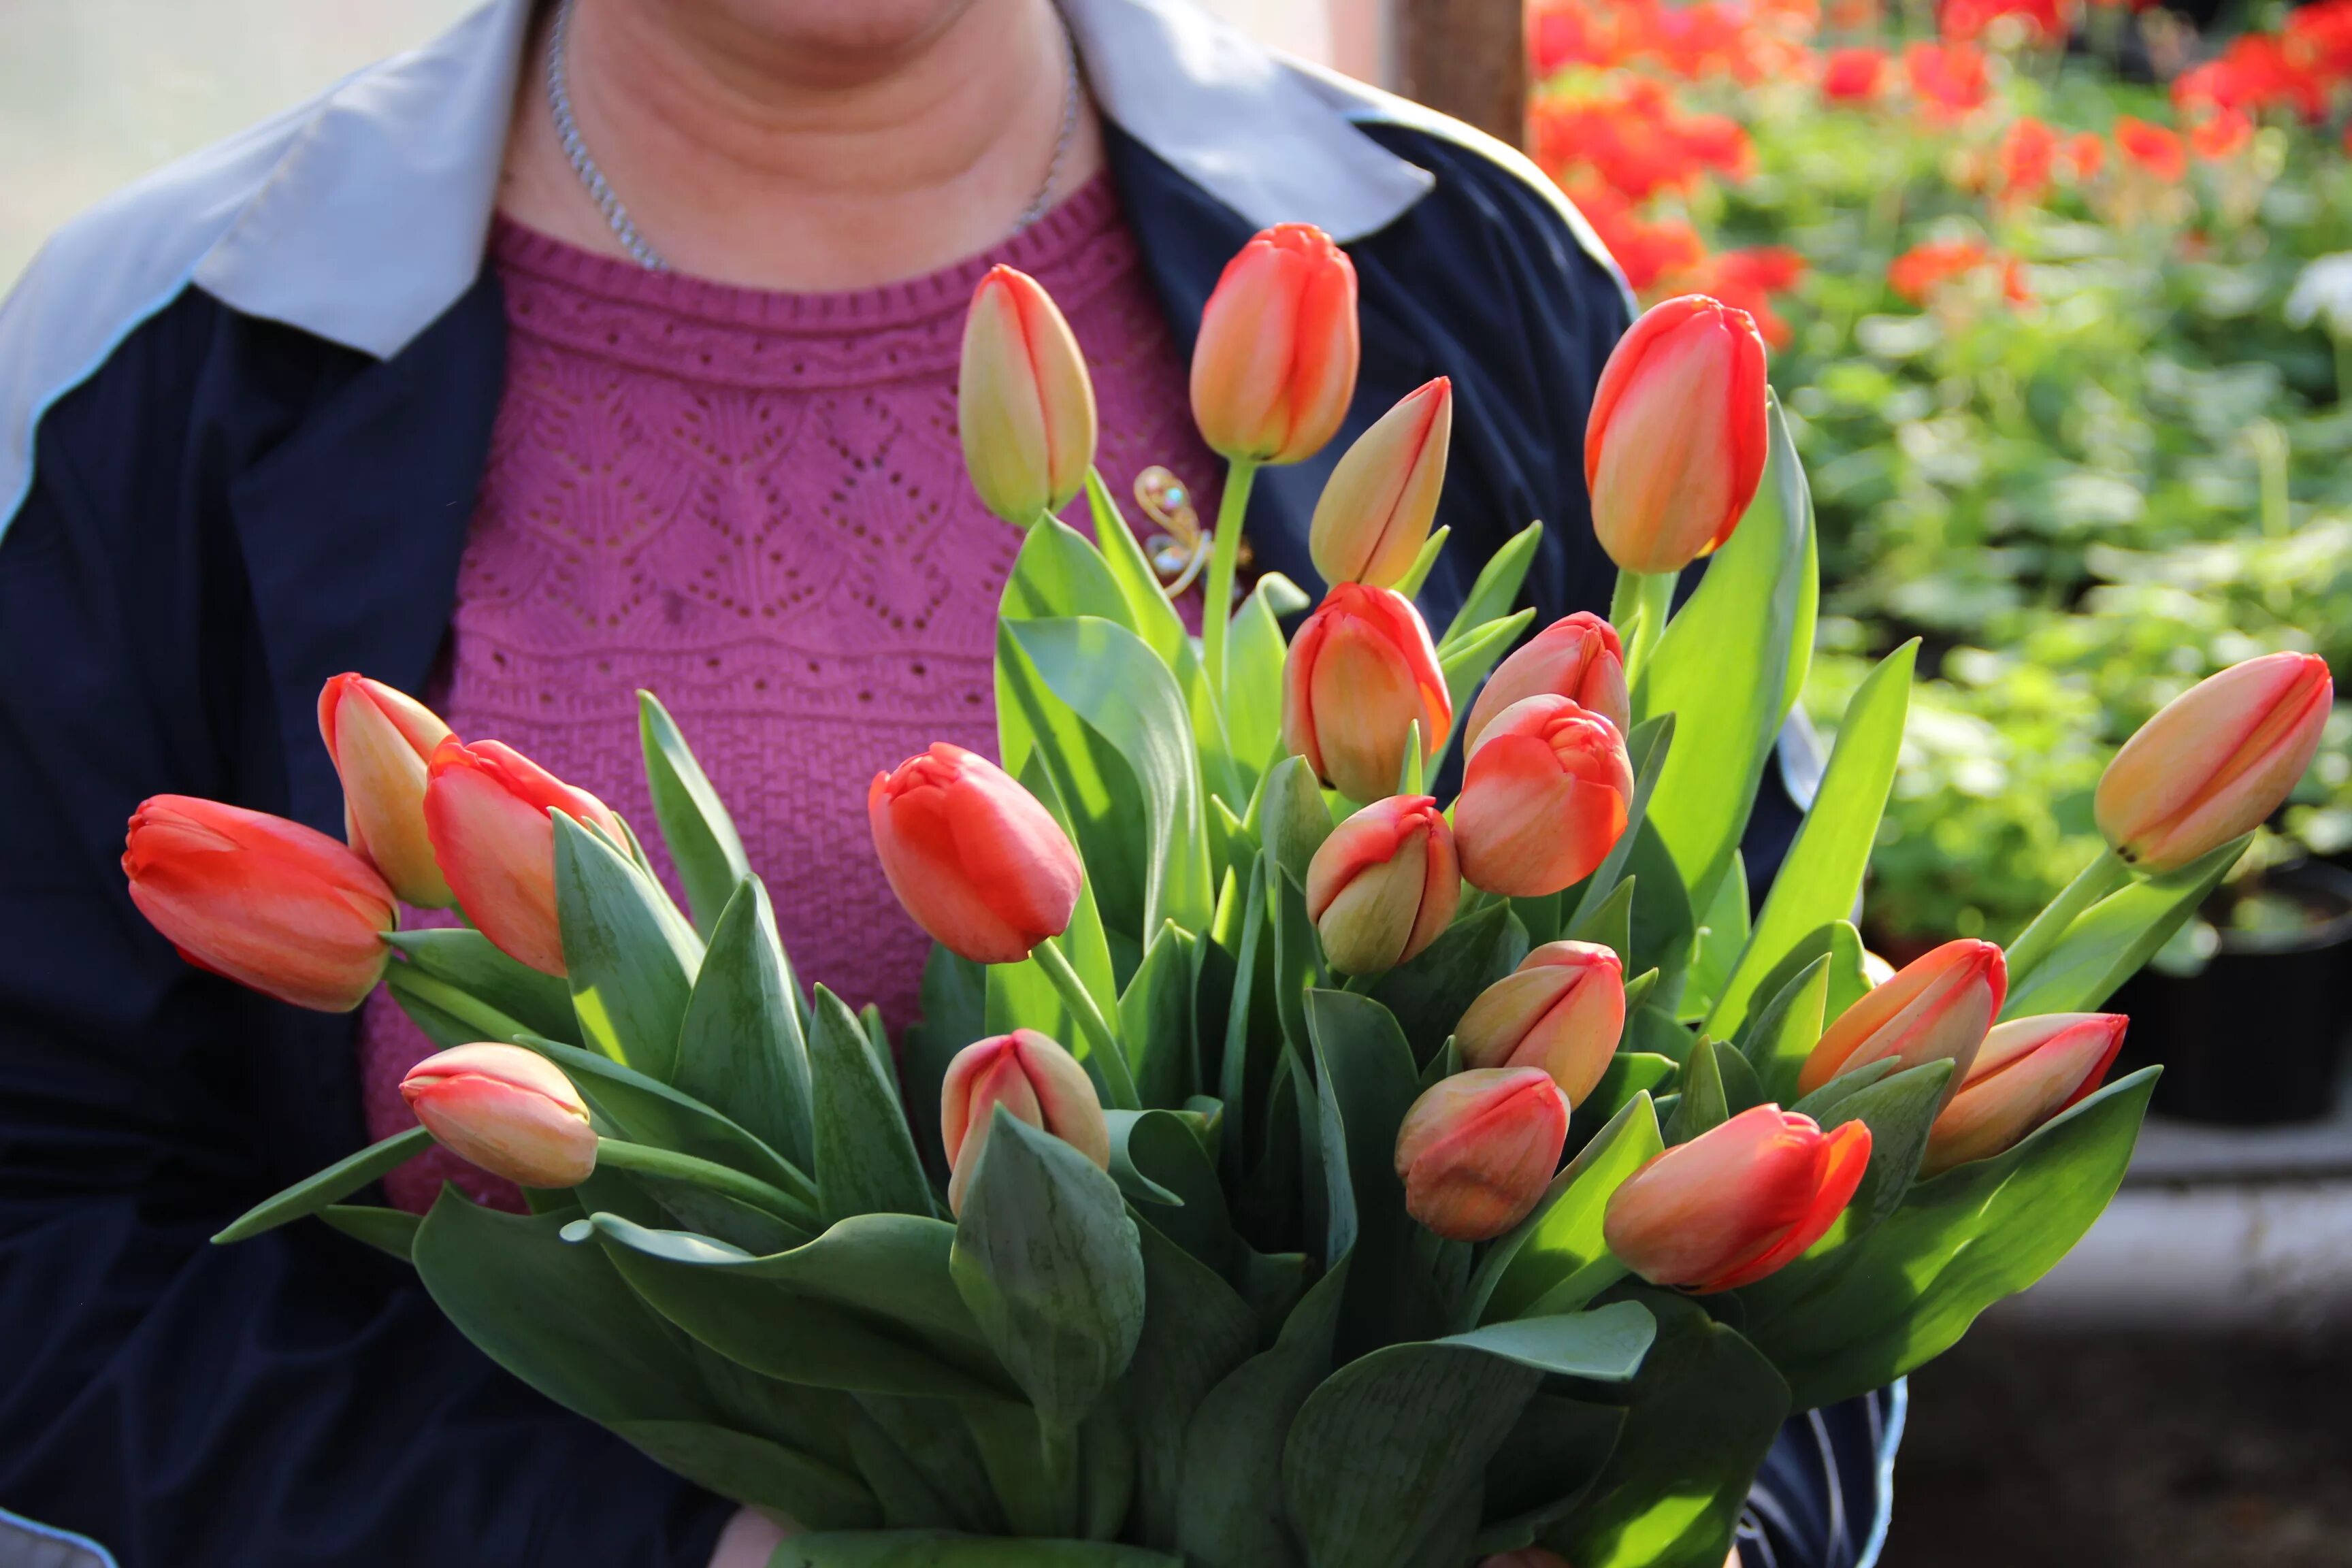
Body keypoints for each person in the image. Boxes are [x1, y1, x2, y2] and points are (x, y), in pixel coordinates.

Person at [0, 1, 1889, 1564]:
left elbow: (1790, 1091)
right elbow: (43, 1231)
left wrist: (1670, 1534)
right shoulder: (166, 355)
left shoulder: (1453, 265)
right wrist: (693, 1554)